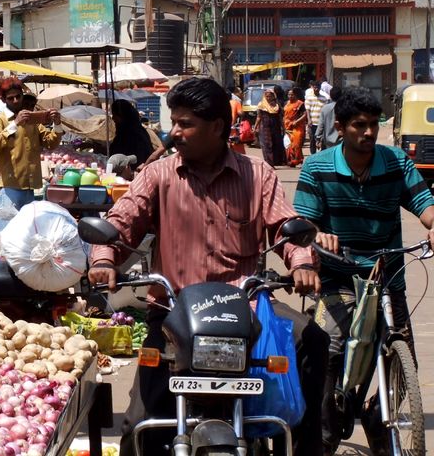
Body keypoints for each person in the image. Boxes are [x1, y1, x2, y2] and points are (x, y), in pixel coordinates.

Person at [88, 77, 327, 456]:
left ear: (217, 126)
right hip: (173, 314)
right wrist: (104, 260)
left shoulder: (258, 174)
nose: (175, 133)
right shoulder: (157, 175)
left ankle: (310, 448)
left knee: (313, 340)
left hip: (246, 311)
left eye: (186, 124)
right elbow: (121, 222)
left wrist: (301, 263)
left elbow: (286, 225)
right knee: (139, 424)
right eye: (175, 122)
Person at [293, 87, 434, 455]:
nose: (368, 132)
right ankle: (323, 429)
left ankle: (375, 413)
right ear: (340, 127)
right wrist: (317, 234)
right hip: (338, 278)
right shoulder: (317, 167)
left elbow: (424, 203)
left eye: (373, 125)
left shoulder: (396, 162)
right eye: (359, 125)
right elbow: (301, 224)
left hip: (388, 278)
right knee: (330, 351)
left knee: (406, 365)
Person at [0, 77, 63, 230]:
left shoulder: (32, 120)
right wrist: (14, 125)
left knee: (26, 235)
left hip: (30, 187)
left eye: (18, 96)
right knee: (7, 236)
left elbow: (51, 143)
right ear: (3, 99)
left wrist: (57, 123)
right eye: (10, 98)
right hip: (10, 188)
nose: (15, 101)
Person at [109, 99, 156, 166]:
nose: (113, 118)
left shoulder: (131, 135)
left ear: (122, 115)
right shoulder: (135, 130)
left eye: (115, 115)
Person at [254, 88, 286, 166]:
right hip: (265, 127)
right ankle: (269, 163)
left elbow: (280, 118)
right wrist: (255, 127)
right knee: (267, 144)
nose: (268, 98)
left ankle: (277, 161)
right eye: (267, 96)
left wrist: (283, 127)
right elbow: (259, 117)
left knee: (276, 143)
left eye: (270, 96)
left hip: (276, 126)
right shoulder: (261, 105)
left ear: (273, 96)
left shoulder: (277, 105)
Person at [284, 86, 308, 167]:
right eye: (289, 94)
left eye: (292, 95)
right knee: (288, 145)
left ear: (296, 95)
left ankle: (296, 160)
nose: (290, 96)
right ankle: (291, 160)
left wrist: (296, 122)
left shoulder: (300, 104)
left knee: (296, 145)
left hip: (297, 127)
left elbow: (305, 115)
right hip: (287, 127)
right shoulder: (286, 103)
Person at [304, 80, 328, 155]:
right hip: (312, 123)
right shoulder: (309, 97)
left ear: (320, 88)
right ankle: (313, 155)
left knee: (322, 140)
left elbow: (325, 111)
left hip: (321, 123)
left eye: (317, 88)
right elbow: (307, 110)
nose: (316, 89)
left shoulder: (324, 98)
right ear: (313, 88)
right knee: (312, 140)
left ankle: (321, 155)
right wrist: (309, 120)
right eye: (314, 87)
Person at [315, 86, 341, 150]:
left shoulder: (325, 108)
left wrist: (318, 138)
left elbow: (321, 125)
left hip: (328, 141)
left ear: (330, 96)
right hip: (341, 140)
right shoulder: (344, 108)